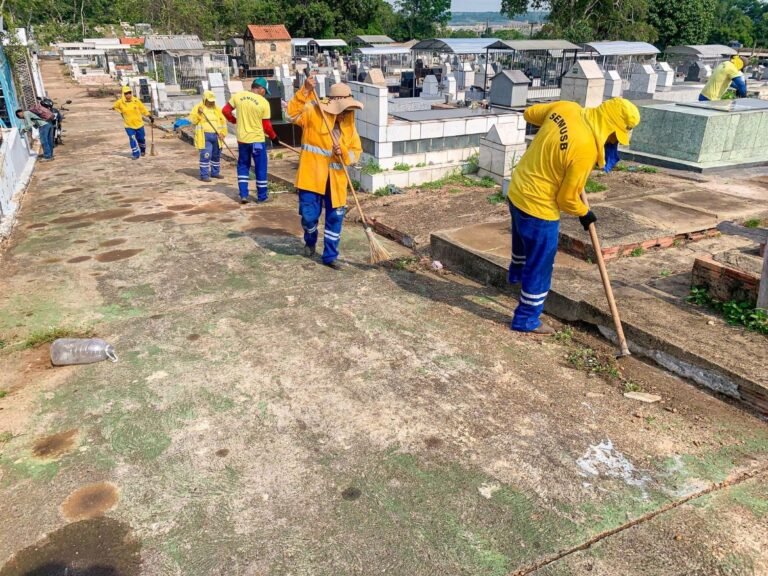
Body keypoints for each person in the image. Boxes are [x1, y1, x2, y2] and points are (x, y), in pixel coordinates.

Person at [506, 97, 640, 334]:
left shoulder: (566, 107)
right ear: (609, 127)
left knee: (521, 244)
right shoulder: (586, 149)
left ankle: (515, 278)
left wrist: (555, 140)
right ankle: (526, 320)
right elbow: (566, 199)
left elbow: (529, 114)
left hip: (517, 190)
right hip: (539, 208)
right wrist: (584, 213)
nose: (613, 141)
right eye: (615, 136)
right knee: (540, 265)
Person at [287, 77, 363, 270]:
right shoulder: (313, 111)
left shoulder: (349, 125)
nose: (346, 113)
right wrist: (304, 90)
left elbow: (356, 152)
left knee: (335, 219)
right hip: (311, 177)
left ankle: (330, 256)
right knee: (309, 217)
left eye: (348, 110)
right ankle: (310, 240)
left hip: (336, 182)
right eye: (344, 109)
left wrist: (343, 153)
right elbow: (292, 114)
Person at [222, 77, 275, 204]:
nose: (265, 94)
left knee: (243, 166)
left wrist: (234, 120)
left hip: (242, 140)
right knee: (260, 167)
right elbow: (267, 126)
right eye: (265, 91)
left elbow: (225, 111)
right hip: (257, 140)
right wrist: (274, 137)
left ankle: (244, 194)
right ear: (261, 89)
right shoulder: (263, 103)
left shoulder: (239, 96)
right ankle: (262, 197)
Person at [189, 91, 227, 182]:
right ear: (204, 99)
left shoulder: (217, 109)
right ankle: (204, 175)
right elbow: (193, 120)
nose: (211, 103)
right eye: (209, 101)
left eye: (212, 101)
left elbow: (223, 122)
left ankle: (215, 173)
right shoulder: (198, 108)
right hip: (205, 136)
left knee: (216, 155)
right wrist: (199, 113)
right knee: (206, 155)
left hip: (216, 136)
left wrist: (223, 133)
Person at [112, 85, 152, 159]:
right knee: (132, 138)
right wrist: (120, 111)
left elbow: (143, 109)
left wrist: (149, 115)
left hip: (139, 124)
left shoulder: (136, 101)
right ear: (123, 94)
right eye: (126, 93)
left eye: (129, 93)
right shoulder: (120, 102)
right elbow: (115, 107)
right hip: (128, 125)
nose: (128, 95)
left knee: (141, 139)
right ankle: (135, 154)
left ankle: (143, 150)